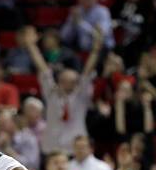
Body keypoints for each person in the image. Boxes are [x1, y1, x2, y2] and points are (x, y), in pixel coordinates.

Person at [23, 25, 103, 155]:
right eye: (63, 81)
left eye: (72, 82)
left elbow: (87, 72)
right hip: (51, 148)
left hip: (75, 150)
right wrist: (31, 46)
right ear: (59, 82)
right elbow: (44, 69)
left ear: (77, 84)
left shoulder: (81, 96)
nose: (67, 85)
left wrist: (96, 49)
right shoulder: (51, 94)